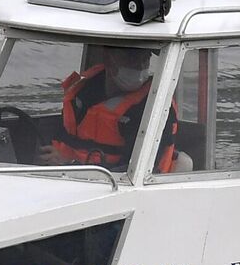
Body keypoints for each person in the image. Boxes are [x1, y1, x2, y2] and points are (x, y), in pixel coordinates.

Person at [47, 47, 180, 172]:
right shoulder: (81, 95)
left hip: (127, 189)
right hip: (69, 176)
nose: (140, 66)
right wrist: (53, 159)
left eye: (145, 59)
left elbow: (137, 172)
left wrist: (69, 165)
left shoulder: (154, 107)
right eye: (131, 58)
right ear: (109, 59)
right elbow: (65, 139)